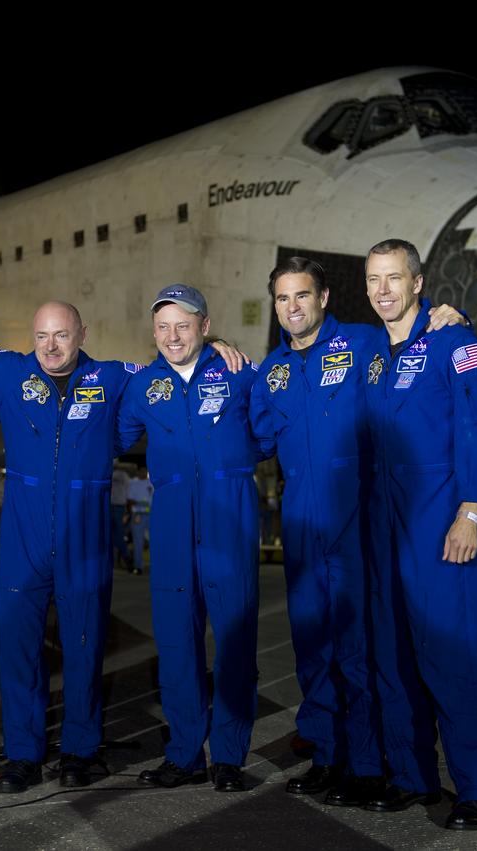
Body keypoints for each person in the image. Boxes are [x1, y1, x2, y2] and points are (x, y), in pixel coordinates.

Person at [0, 301, 247, 793]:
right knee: (19, 652)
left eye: (62, 335)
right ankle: (22, 755)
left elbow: (175, 366)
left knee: (84, 647)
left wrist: (217, 347)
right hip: (23, 538)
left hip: (85, 538)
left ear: (82, 333)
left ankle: (79, 750)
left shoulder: (115, 377)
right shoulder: (8, 371)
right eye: (42, 336)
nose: (51, 347)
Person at [249, 256, 466, 806]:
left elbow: (412, 354)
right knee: (312, 651)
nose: (292, 307)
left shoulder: (363, 345)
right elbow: (252, 438)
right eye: (282, 298)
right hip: (301, 530)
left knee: (360, 651)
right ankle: (328, 755)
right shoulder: (270, 371)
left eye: (302, 295)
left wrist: (445, 319)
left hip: (357, 527)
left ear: (324, 298)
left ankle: (369, 765)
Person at [359, 239, 477, 830]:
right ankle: (412, 777)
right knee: (393, 657)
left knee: (452, 654)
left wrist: (470, 511)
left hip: (439, 521)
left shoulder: (456, 342)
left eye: (395, 278)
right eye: (374, 280)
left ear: (419, 284)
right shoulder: (370, 354)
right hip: (382, 524)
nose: (383, 290)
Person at [118, 284, 272, 793]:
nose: (172, 336)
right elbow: (112, 432)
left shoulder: (240, 372)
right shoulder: (143, 386)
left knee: (234, 643)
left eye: (183, 325)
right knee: (177, 644)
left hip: (229, 518)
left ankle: (228, 755)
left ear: (206, 326)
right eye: (162, 327)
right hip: (170, 526)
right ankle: (183, 754)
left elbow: (271, 432)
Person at [126, 468, 153, 576]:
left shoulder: (151, 483)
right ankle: (138, 567)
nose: (142, 473)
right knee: (138, 543)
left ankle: (157, 566)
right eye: (140, 471)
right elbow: (129, 500)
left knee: (156, 542)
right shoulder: (134, 484)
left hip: (152, 515)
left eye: (144, 471)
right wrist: (141, 504)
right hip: (138, 515)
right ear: (137, 473)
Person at [110, 464, 131, 569]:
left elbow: (128, 490)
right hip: (110, 506)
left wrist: (127, 509)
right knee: (112, 534)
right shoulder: (106, 472)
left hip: (119, 506)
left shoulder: (123, 475)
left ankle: (126, 556)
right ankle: (124, 557)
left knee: (118, 532)